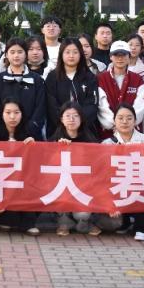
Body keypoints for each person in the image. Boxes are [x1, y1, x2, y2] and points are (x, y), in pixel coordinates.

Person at [92, 105, 144, 241]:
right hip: (116, 189)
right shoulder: (106, 144)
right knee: (112, 223)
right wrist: (109, 203)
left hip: (140, 187)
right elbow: (101, 175)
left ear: (135, 121)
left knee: (143, 186)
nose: (125, 121)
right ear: (114, 121)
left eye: (129, 118)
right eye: (120, 118)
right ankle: (125, 221)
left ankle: (141, 227)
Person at [0, 98, 40, 235]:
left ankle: (29, 223)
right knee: (7, 222)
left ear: (22, 114)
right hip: (3, 181)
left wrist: (35, 146)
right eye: (8, 112)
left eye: (16, 112)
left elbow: (42, 159)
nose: (12, 117)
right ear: (1, 114)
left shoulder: (31, 131)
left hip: (24, 180)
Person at [50, 101, 98, 236]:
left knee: (82, 214)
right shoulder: (54, 140)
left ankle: (85, 223)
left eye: (76, 116)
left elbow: (98, 166)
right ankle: (63, 222)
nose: (72, 119)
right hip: (62, 188)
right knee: (61, 202)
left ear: (81, 119)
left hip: (83, 188)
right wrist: (58, 149)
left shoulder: (90, 140)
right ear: (61, 119)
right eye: (68, 116)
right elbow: (46, 166)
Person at [0, 38, 46, 140]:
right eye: (12, 52)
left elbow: (41, 108)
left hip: (31, 136)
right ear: (6, 55)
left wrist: (30, 129)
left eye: (20, 52)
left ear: (26, 54)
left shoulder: (37, 80)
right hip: (4, 135)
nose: (16, 55)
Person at [45, 39, 100, 141]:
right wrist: (66, 122)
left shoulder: (89, 77)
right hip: (58, 131)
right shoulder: (52, 77)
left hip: (85, 131)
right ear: (61, 54)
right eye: (67, 52)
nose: (71, 56)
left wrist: (78, 122)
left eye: (75, 52)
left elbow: (92, 104)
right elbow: (51, 106)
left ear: (80, 54)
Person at [97, 40, 144, 138]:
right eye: (116, 55)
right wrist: (115, 125)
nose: (120, 58)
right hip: (108, 134)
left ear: (129, 57)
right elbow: (102, 107)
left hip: (132, 134)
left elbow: (140, 106)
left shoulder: (138, 79)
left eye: (124, 55)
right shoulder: (101, 79)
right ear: (111, 57)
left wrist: (128, 124)